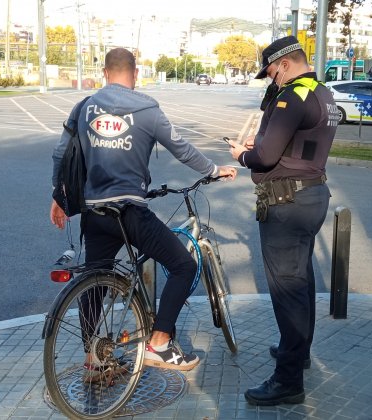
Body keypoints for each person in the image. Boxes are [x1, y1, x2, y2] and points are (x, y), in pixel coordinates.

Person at [50, 48, 237, 379]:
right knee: (183, 266)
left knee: (93, 282)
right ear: (134, 74)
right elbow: (181, 148)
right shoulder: (148, 109)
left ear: (105, 73)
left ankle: (93, 359)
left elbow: (61, 154)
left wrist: (59, 196)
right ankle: (160, 342)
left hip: (95, 213)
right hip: (129, 212)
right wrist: (213, 169)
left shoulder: (84, 107)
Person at [227, 36, 338, 406]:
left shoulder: (292, 96)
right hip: (312, 195)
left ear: (285, 64)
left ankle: (288, 381)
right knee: (301, 281)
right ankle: (298, 351)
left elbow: (265, 155)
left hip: (287, 203)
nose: (271, 80)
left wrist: (243, 155)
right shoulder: (324, 93)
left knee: (287, 291)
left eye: (272, 72)